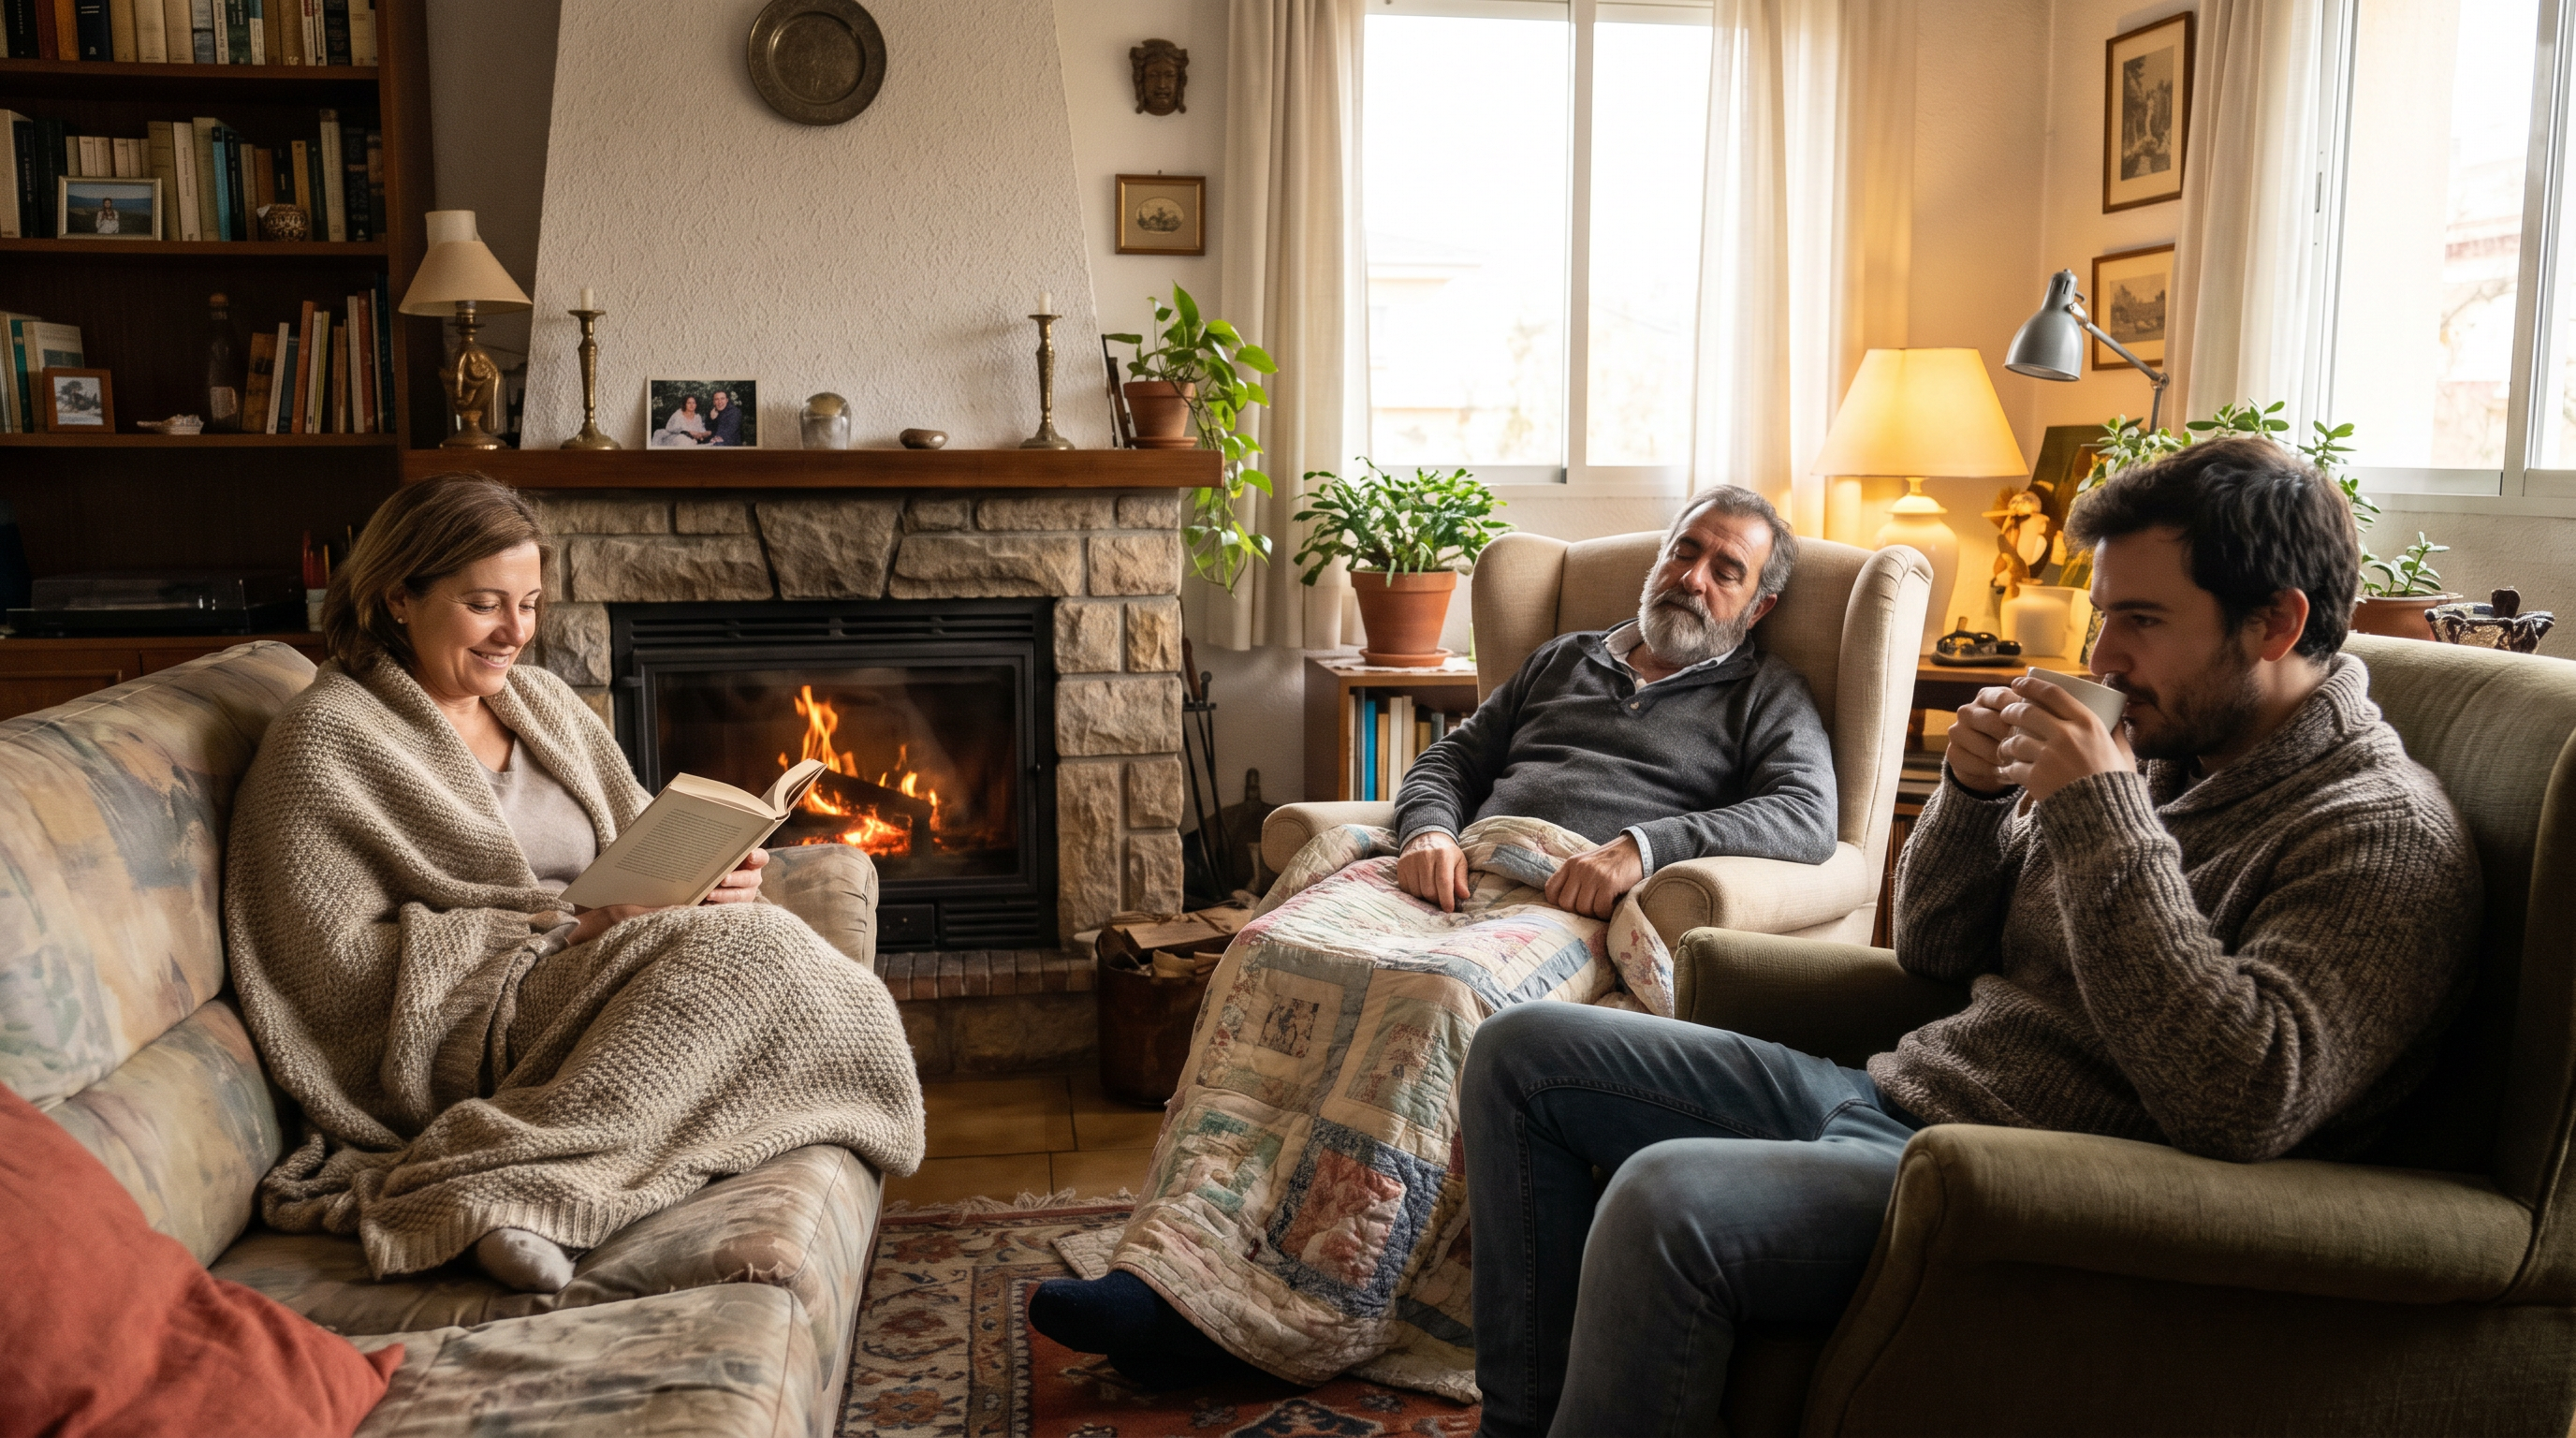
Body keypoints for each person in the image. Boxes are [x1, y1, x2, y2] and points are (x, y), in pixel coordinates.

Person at [1458, 436, 2480, 1437]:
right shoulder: (2167, 754)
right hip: (1901, 1100)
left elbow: (2240, 1097)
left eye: (2141, 620)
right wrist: (1974, 794)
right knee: (1522, 1053)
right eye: (2099, 613)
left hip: (2013, 1186)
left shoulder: (2378, 833)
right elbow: (1938, 952)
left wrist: (2102, 816)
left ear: (2275, 623)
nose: (2099, 656)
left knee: (1663, 1200)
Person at [1025, 485, 1839, 1391]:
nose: (1692, 577)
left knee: (1441, 998)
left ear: (1759, 603)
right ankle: (1172, 1261)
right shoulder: (1565, 657)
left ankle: (1292, 1315)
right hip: (1455, 868)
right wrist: (1427, 832)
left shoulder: (1766, 694)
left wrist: (1641, 849)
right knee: (1265, 953)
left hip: (1574, 904)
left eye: (1726, 570)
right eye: (1685, 551)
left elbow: (1805, 817)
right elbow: (1448, 761)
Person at [224, 475, 924, 1295]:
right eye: (484, 604)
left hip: (610, 959)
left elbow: (637, 844)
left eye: (530, 603)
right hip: (482, 1014)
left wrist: (708, 878)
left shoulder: (543, 702)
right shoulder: (327, 739)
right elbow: (327, 968)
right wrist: (572, 927)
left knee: (783, 957)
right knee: (767, 956)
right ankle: (503, 1189)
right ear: (396, 599)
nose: (514, 632)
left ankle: (528, 1190)